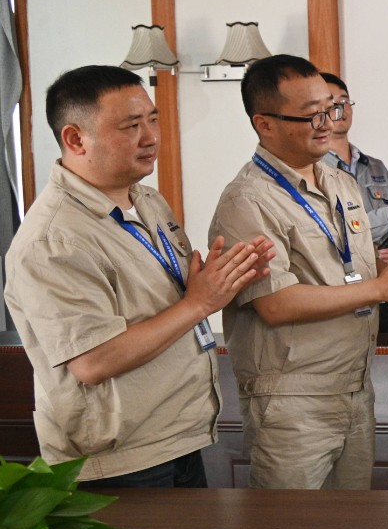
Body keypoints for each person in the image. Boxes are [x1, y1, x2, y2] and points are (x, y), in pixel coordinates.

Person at [4, 66, 272, 488]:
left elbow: (164, 300)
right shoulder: (54, 239)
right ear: (75, 139)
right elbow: (93, 361)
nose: (151, 137)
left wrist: (222, 280)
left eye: (153, 119)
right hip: (120, 460)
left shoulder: (146, 200)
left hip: (179, 435)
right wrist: (199, 303)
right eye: (131, 126)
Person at [210, 54, 388, 489]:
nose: (328, 123)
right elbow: (276, 304)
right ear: (265, 124)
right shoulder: (247, 201)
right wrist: (380, 288)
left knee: (350, 522)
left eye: (332, 109)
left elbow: (344, 269)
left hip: (355, 385)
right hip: (292, 397)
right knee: (295, 527)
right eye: (311, 115)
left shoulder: (340, 182)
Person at [321, 71, 388, 337]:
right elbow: (336, 231)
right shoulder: (313, 169)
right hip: (343, 291)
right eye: (331, 102)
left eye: (344, 101)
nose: (340, 108)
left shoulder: (375, 166)